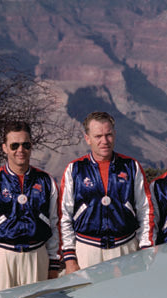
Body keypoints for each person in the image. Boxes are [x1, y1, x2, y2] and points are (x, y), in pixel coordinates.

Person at [0, 123, 61, 295]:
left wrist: (54, 263)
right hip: (2, 257)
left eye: (26, 145)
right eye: (14, 145)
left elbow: (55, 224)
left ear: (32, 146)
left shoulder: (46, 181)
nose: (20, 150)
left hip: (37, 256)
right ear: (5, 148)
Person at [60, 111, 154, 272]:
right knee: (88, 297)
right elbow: (64, 215)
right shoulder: (75, 169)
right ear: (87, 138)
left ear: (114, 135)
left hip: (126, 248)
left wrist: (146, 248)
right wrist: (69, 257)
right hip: (87, 250)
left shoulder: (131, 166)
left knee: (126, 296)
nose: (104, 141)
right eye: (98, 136)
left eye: (108, 135)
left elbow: (145, 210)